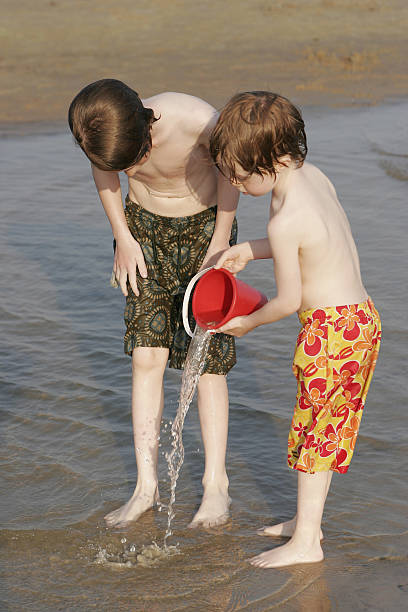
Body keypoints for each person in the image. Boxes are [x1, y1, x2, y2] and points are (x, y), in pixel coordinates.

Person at [210, 91, 381, 567]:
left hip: (331, 331)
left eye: (241, 176)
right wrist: (250, 249)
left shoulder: (286, 218)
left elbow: (286, 300)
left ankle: (307, 542)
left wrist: (245, 322)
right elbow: (316, 239)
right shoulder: (313, 179)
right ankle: (307, 520)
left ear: (271, 160)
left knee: (315, 432)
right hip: (360, 319)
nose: (236, 185)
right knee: (327, 428)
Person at [68, 79, 240, 528]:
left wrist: (221, 241)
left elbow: (230, 173)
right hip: (143, 236)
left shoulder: (197, 119)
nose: (131, 166)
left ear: (147, 126)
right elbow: (104, 173)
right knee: (146, 356)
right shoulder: (105, 138)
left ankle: (215, 485)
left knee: (205, 362)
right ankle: (146, 487)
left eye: (134, 158)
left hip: (206, 230)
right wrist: (122, 236)